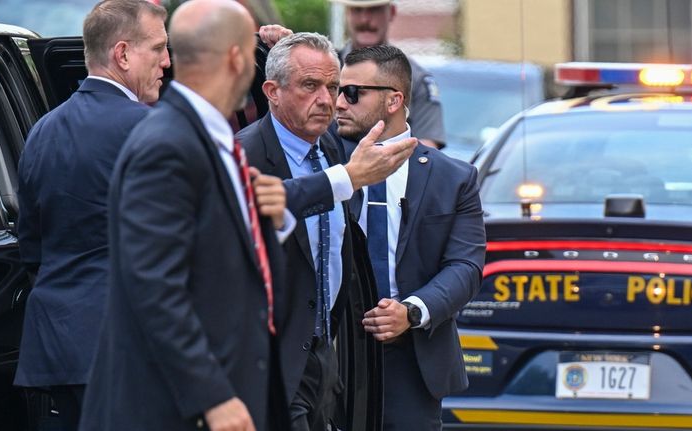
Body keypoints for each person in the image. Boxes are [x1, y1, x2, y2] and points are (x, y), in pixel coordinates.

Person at [79, 1, 293, 430]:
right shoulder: (167, 144)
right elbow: (153, 286)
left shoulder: (209, 139)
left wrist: (273, 219)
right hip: (175, 409)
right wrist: (213, 397)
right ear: (237, 58)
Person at [237, 33, 416, 431]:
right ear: (272, 92)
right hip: (267, 360)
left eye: (333, 87)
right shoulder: (244, 155)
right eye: (309, 86)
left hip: (324, 353)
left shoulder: (332, 149)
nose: (327, 100)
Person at [14, 0, 170, 427]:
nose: (167, 62)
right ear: (122, 54)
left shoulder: (41, 130)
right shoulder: (149, 129)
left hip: (54, 350)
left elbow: (32, 246)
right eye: (158, 49)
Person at [336, 45, 486, 430]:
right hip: (336, 352)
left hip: (413, 354)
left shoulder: (453, 178)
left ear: (394, 100)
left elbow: (466, 267)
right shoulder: (327, 169)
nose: (338, 102)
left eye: (353, 93)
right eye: (338, 89)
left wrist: (411, 311)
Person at [331, 0, 447, 149]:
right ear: (347, 13)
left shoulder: (415, 77)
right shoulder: (327, 68)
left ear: (391, 12)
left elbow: (427, 150)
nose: (365, 19)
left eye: (374, 10)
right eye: (357, 10)